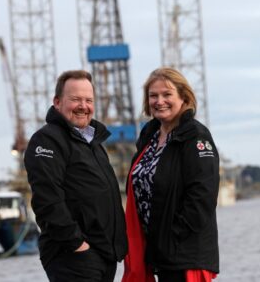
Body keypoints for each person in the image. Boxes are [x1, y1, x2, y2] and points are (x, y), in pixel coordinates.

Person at [25, 70, 127, 282]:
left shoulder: (93, 143)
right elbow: (47, 200)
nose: (83, 106)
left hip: (102, 255)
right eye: (75, 99)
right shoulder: (46, 141)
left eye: (88, 100)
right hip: (73, 256)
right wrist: (77, 245)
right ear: (57, 102)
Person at [123, 67, 220, 282]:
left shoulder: (195, 136)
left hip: (184, 255)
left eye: (167, 94)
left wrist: (171, 237)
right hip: (155, 253)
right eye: (153, 96)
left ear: (184, 97)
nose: (159, 101)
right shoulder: (149, 136)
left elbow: (202, 197)